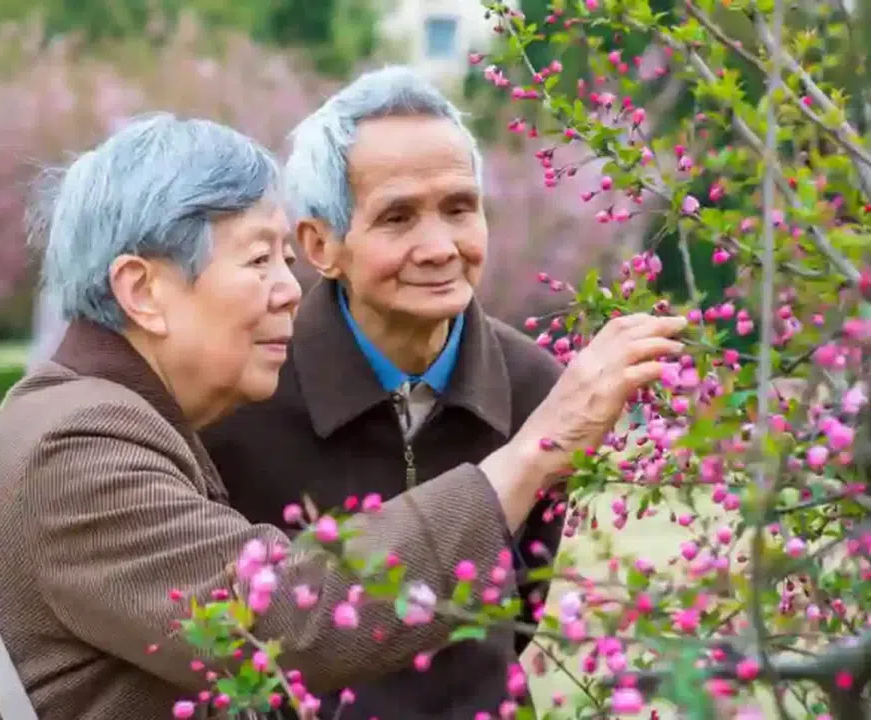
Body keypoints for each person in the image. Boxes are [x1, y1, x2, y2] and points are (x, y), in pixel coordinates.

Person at [199, 66, 689, 719]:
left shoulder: (536, 387)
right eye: (397, 217)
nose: (439, 247)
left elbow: (521, 614)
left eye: (460, 208)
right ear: (321, 245)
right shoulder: (243, 395)